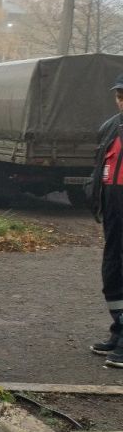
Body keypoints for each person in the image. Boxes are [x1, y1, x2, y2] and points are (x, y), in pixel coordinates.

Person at [88, 74, 123, 369]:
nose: (122, 100)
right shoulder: (111, 127)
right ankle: (119, 330)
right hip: (113, 208)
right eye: (120, 95)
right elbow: (101, 165)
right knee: (112, 271)